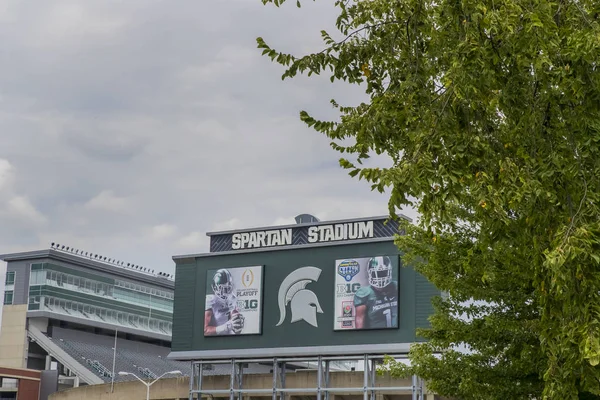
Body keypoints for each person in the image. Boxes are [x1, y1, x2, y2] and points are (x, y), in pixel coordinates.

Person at [353, 256, 398, 329]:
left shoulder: (396, 287)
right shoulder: (365, 293)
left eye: (383, 273)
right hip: (375, 337)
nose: (380, 278)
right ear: (370, 273)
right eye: (376, 274)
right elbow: (360, 320)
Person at [204, 268, 245, 335]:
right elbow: (205, 331)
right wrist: (227, 326)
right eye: (222, 288)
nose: (226, 292)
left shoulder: (232, 298)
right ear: (215, 287)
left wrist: (237, 326)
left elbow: (235, 326)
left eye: (228, 288)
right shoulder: (210, 301)